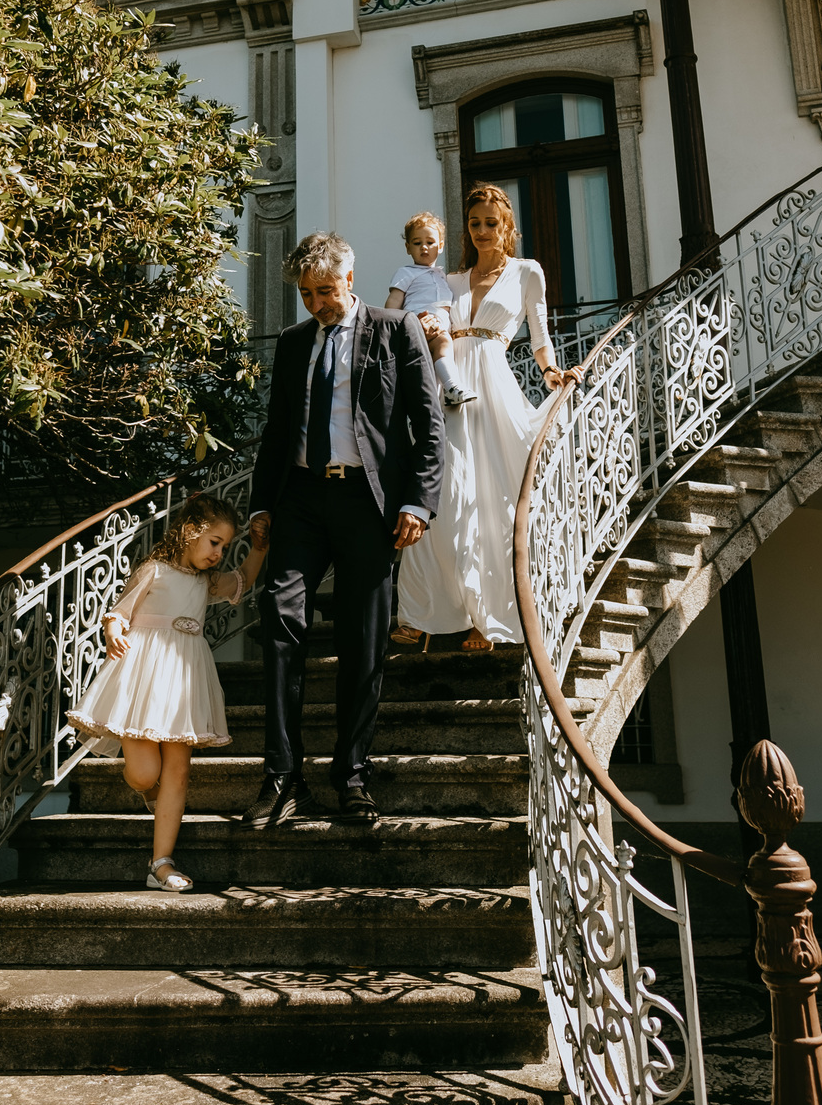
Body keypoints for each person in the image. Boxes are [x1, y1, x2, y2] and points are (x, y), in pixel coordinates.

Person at [242, 231, 445, 828]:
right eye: (306, 294)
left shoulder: (395, 330)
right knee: (280, 618)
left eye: (325, 291)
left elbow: (428, 425)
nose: (316, 304)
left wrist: (419, 503)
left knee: (364, 638)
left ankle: (352, 774)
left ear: (349, 280)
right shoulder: (293, 342)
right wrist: (261, 505)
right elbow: (278, 431)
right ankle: (282, 777)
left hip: (367, 501)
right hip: (301, 498)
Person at [393, 183, 578, 653]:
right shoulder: (449, 280)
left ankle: (489, 617)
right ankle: (422, 611)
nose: (481, 231)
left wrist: (551, 372)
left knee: (496, 500)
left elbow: (540, 335)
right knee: (445, 496)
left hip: (493, 387)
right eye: (474, 223)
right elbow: (420, 316)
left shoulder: (526, 272)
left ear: (507, 225)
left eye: (490, 223)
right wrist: (424, 324)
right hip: (451, 389)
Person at [68, 493, 268, 892]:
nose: (219, 554)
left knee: (178, 769)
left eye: (224, 547)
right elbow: (120, 611)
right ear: (190, 531)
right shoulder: (154, 570)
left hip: (184, 677)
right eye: (214, 542)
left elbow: (242, 580)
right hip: (143, 675)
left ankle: (161, 863)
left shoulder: (207, 581)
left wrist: (260, 549)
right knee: (144, 773)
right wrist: (113, 631)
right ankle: (149, 791)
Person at [385, 211, 477, 408]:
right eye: (417, 243)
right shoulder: (406, 272)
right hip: (418, 325)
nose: (424, 247)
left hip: (439, 327)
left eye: (430, 242)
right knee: (443, 343)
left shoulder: (444, 277)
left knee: (433, 368)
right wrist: (398, 330)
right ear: (408, 247)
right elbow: (393, 303)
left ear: (441, 246)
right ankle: (452, 388)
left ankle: (433, 405)